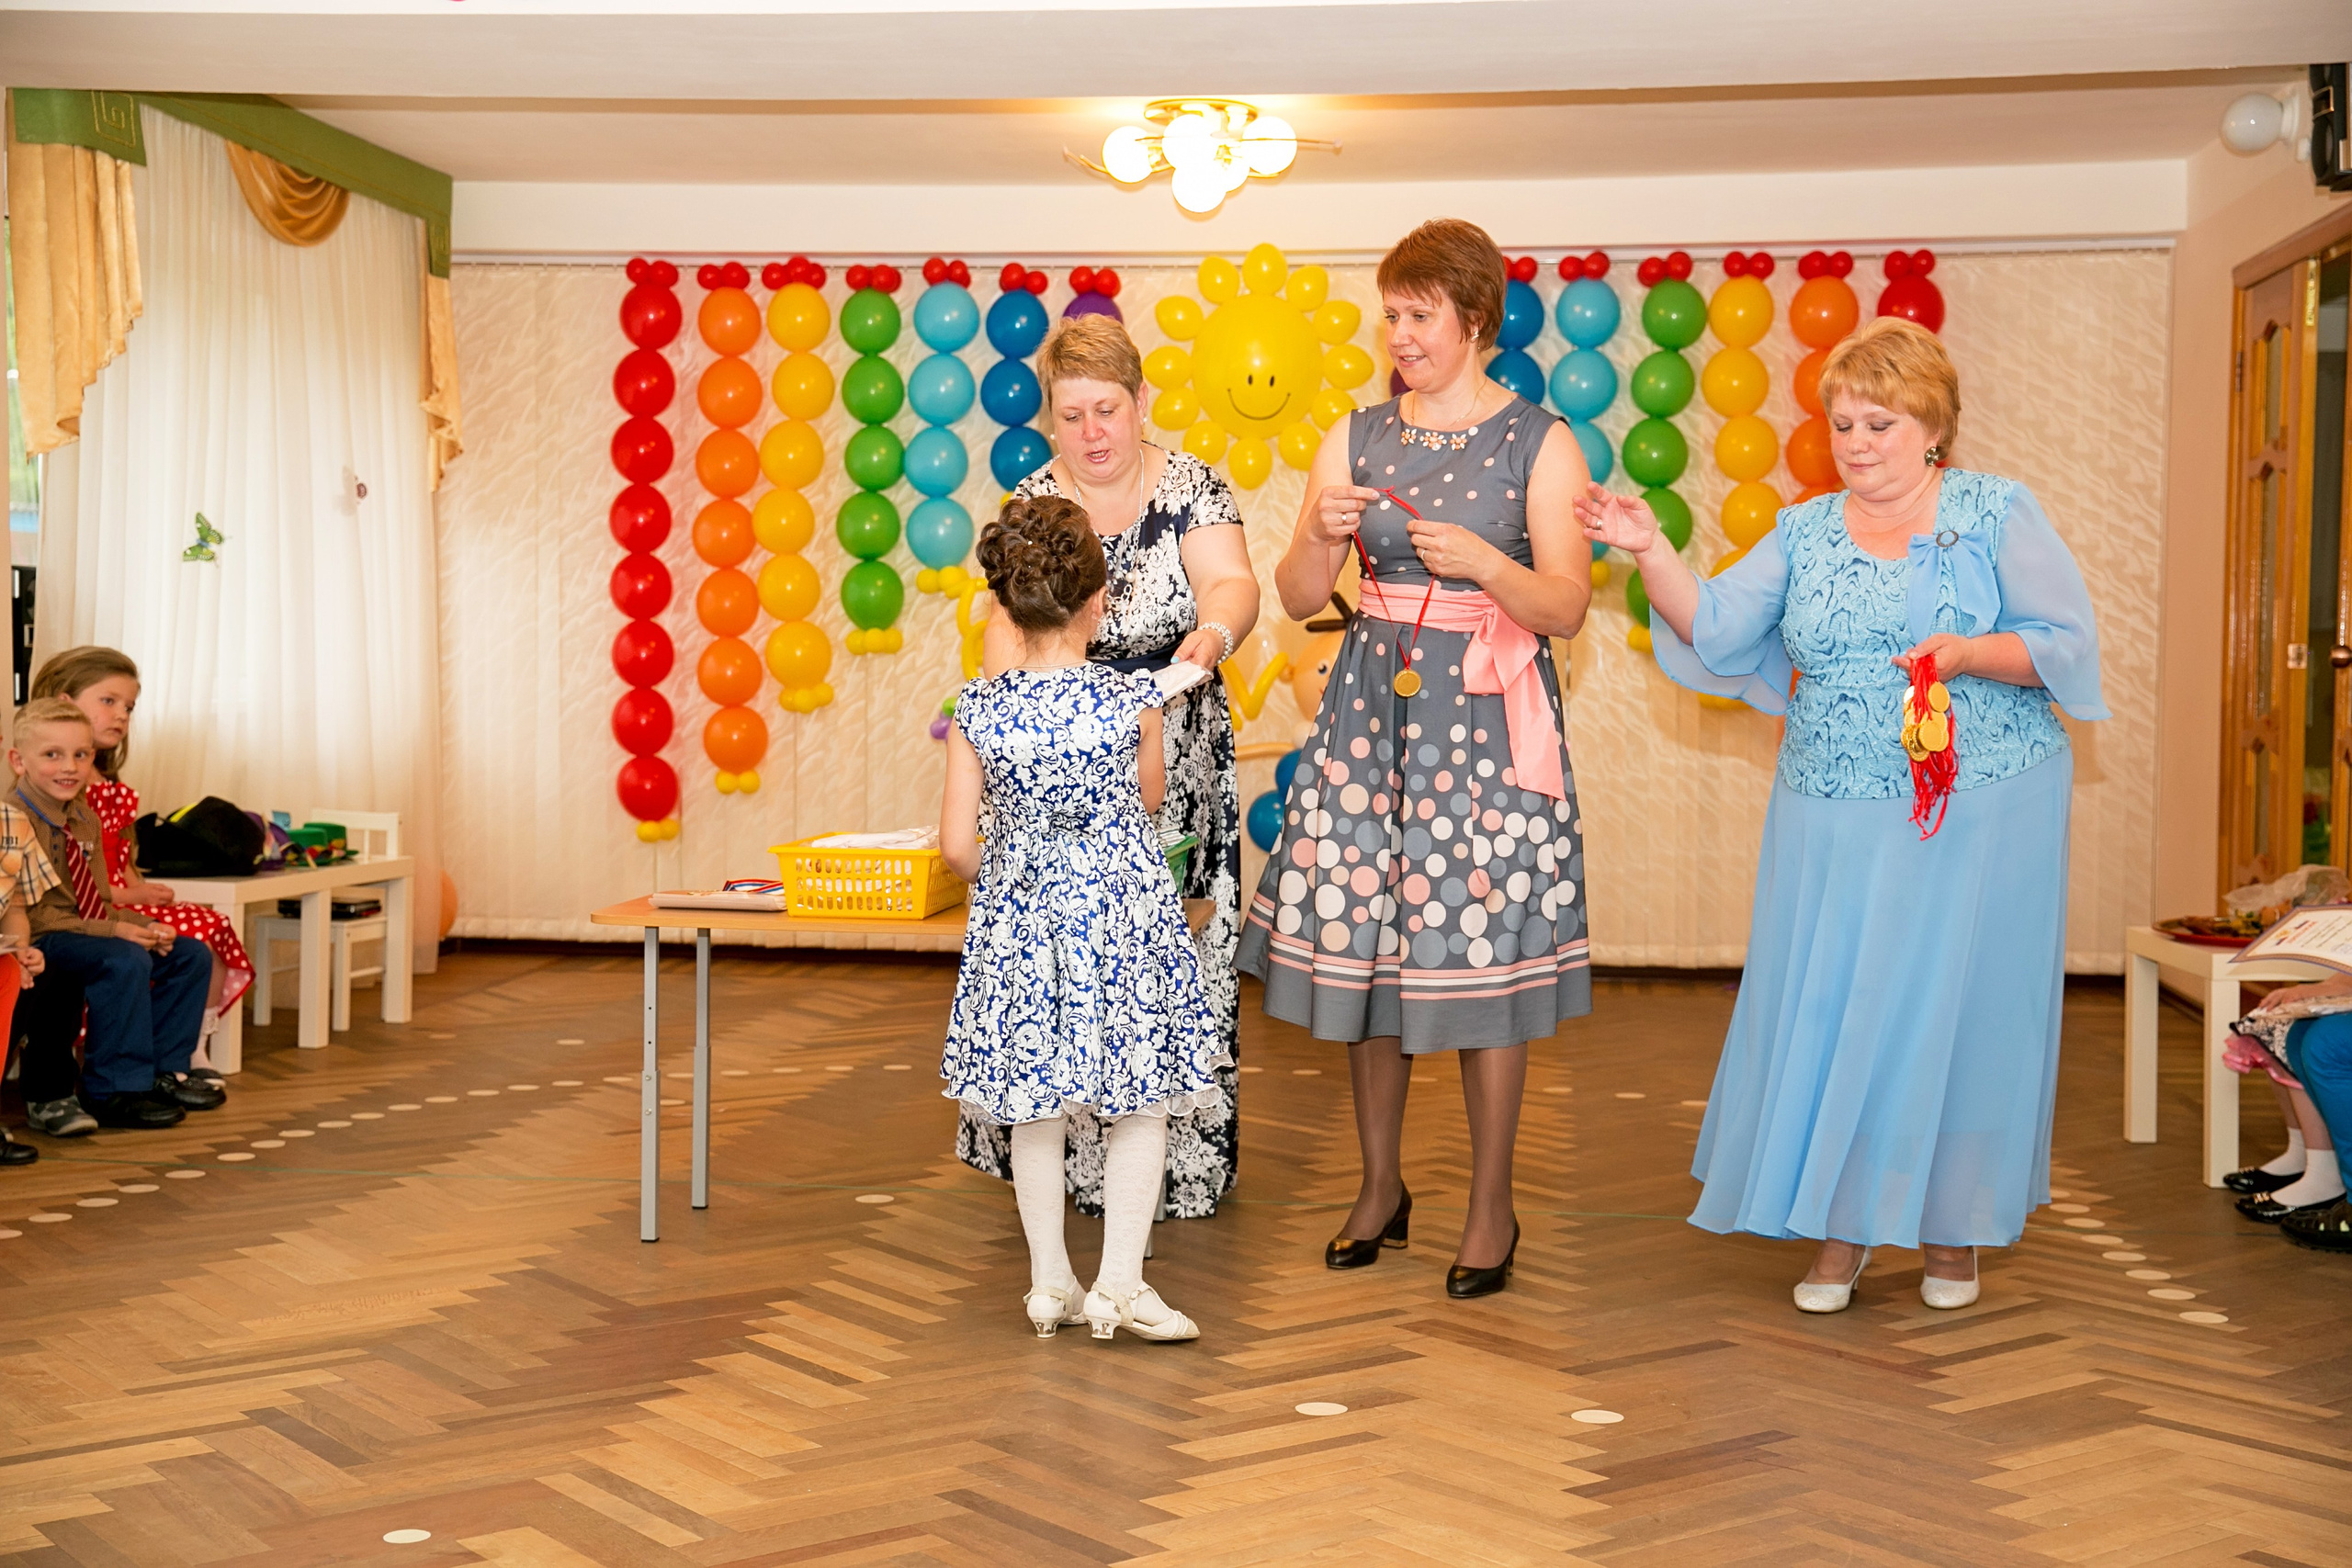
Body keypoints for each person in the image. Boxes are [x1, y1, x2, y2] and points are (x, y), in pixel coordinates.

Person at [1578, 315, 2107, 1313]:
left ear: (1932, 428)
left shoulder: (1995, 513)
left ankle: (1953, 1235)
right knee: (1836, 1006)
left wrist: (1961, 652)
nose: (1857, 445)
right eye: (1844, 426)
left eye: (1880, 425)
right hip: (1830, 808)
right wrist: (1650, 551)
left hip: (1979, 804)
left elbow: (2062, 643)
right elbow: (1721, 629)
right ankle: (1841, 1227)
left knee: (1958, 1011)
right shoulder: (1804, 529)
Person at [1236, 218, 1595, 1299]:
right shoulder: (1353, 437)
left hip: (1484, 726)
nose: (1398, 335)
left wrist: (1489, 562)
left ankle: (1492, 1207)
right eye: (1390, 314)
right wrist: (1317, 537)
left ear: (1474, 320)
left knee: (1484, 955)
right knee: (1370, 951)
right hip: (1368, 725)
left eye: (1418, 315)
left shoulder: (1542, 441)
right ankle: (1380, 1186)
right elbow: (1301, 600)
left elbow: (1566, 607)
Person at [963, 313, 1258, 1223]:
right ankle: (1067, 1185)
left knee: (1172, 975)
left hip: (1175, 763)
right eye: (1072, 413)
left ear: (1142, 405)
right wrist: (1013, 715)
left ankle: (1175, 1174)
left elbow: (1232, 586)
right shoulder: (1031, 498)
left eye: (1108, 409)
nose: (1093, 431)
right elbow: (1001, 626)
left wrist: (1211, 635)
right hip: (1061, 773)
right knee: (1063, 975)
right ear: (1049, 421)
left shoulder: (1194, 489)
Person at [939, 496, 1226, 1342]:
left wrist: (1019, 860)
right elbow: (1147, 797)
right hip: (1122, 914)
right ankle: (1121, 1286)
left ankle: (1048, 1284)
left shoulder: (976, 711)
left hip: (1019, 922)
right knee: (1140, 1099)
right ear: (1100, 601)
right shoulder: (1129, 700)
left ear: (1004, 606)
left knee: (1033, 1101)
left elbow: (959, 844)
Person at [34, 646, 254, 1084]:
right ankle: (162, 1059)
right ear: (65, 703)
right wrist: (129, 897)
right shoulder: (58, 784)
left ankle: (181, 1052)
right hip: (80, 911)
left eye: (128, 707)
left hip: (114, 898)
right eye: (108, 701)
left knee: (200, 930)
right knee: (187, 933)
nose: (121, 716)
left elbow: (122, 857)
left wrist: (140, 888)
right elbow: (65, 881)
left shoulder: (109, 785)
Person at [9, 698, 217, 1129]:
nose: (69, 767)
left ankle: (161, 1070)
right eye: (52, 755)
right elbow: (37, 917)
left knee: (189, 954)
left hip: (84, 927)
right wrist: (117, 931)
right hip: (40, 935)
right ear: (18, 761)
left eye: (81, 755)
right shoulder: (14, 820)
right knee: (123, 958)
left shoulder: (83, 818)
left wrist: (145, 925)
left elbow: (97, 898)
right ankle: (113, 1089)